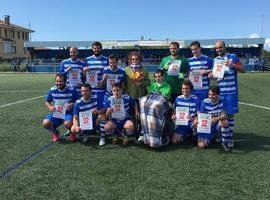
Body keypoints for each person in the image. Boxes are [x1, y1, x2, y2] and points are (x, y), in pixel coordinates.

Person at [209, 40, 245, 148]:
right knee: (221, 115)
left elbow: (243, 70)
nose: (218, 49)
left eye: (220, 47)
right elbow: (216, 76)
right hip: (220, 93)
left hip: (231, 92)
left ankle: (229, 138)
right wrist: (212, 76)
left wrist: (233, 65)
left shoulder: (232, 57)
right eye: (217, 48)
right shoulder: (215, 60)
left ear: (225, 47)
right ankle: (222, 135)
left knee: (230, 115)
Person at [84, 41, 109, 142]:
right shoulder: (88, 59)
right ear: (92, 49)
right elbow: (84, 74)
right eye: (94, 48)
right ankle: (91, 128)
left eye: (98, 48)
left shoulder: (106, 60)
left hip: (102, 90)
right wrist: (84, 70)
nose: (96, 50)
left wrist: (103, 81)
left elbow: (108, 72)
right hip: (92, 90)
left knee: (102, 110)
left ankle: (102, 129)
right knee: (91, 109)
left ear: (101, 49)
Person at [42, 74, 77, 142]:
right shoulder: (52, 90)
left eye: (61, 81)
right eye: (57, 81)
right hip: (57, 113)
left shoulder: (72, 89)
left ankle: (72, 132)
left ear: (65, 81)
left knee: (67, 123)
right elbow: (47, 101)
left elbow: (78, 101)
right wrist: (50, 107)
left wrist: (72, 104)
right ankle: (55, 133)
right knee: (45, 123)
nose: (58, 83)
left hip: (68, 113)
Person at [197, 86, 231, 151]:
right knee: (201, 145)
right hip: (207, 126)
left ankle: (225, 142)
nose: (211, 96)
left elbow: (225, 115)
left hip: (217, 123)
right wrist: (209, 121)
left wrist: (216, 118)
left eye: (213, 95)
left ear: (218, 94)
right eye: (209, 94)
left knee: (225, 122)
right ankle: (212, 137)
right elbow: (202, 117)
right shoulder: (204, 102)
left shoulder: (223, 100)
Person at [171, 80, 199, 144]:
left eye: (187, 88)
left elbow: (199, 115)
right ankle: (185, 135)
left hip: (192, 122)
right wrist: (173, 116)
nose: (185, 90)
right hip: (182, 123)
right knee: (174, 140)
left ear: (190, 89)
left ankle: (194, 135)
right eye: (183, 88)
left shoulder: (196, 99)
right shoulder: (178, 99)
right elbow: (174, 112)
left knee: (197, 124)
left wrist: (193, 119)